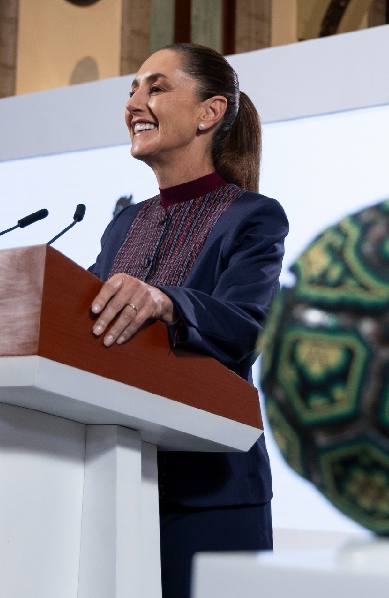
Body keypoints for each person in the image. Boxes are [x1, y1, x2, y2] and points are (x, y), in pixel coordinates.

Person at [87, 43, 288, 598]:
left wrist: (166, 302)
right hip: (118, 482)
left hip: (211, 494)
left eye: (156, 88)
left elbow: (248, 326)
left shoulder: (253, 217)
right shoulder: (124, 225)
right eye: (132, 89)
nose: (134, 103)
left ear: (210, 112)